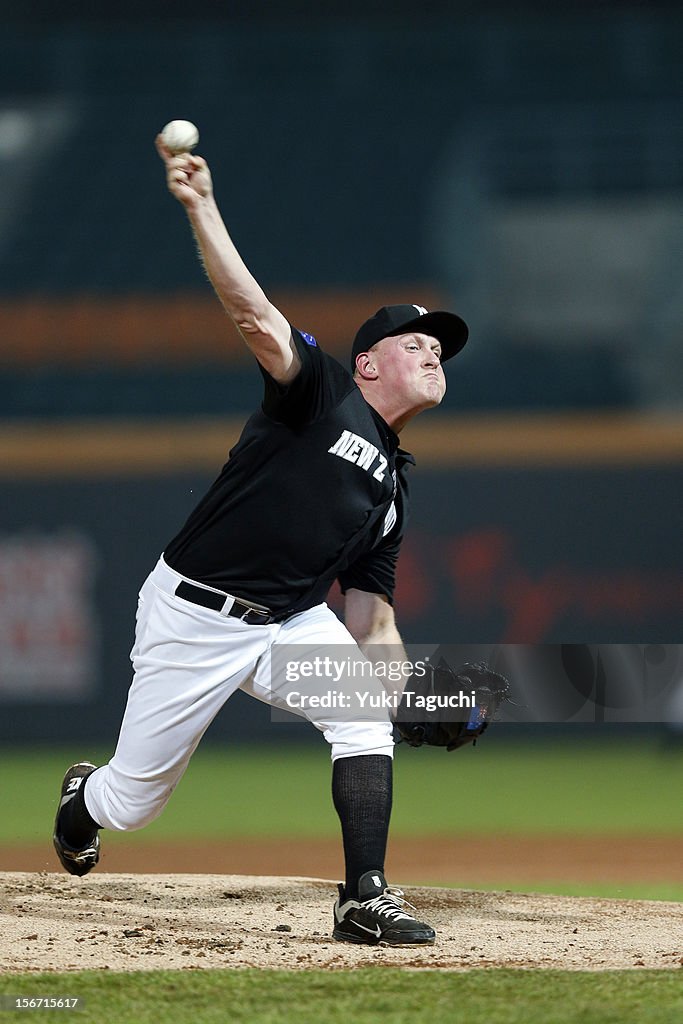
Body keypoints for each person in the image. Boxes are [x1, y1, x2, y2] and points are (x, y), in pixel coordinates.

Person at [52, 135, 469, 947]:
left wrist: (398, 691)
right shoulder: (321, 395)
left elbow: (372, 619)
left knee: (359, 719)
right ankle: (82, 798)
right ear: (366, 364)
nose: (430, 350)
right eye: (411, 341)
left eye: (440, 347)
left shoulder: (389, 491)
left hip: (285, 622)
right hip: (193, 615)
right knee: (134, 804)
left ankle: (362, 898)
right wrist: (202, 206)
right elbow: (253, 316)